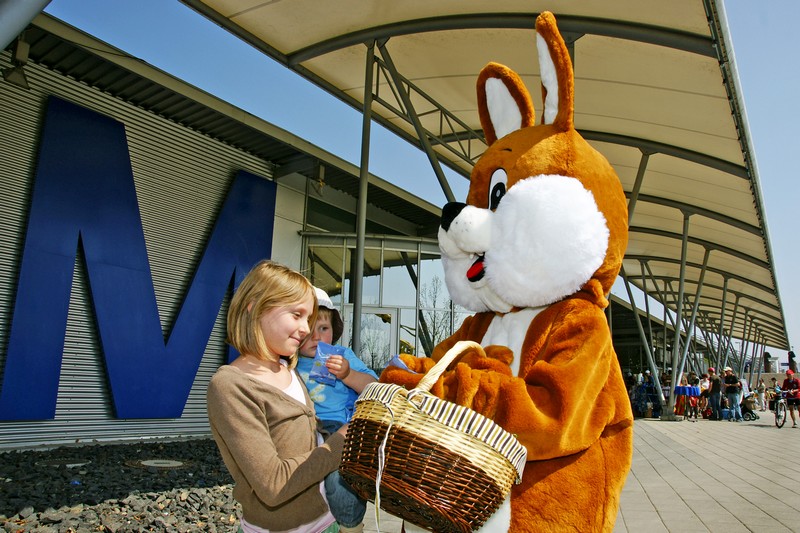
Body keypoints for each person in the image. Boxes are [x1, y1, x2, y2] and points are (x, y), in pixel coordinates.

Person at [207, 260, 346, 533]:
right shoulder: (230, 386)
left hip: (328, 521)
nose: (306, 328)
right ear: (255, 306)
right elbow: (274, 484)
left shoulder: (289, 368)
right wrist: (341, 442)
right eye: (297, 315)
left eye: (308, 318)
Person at [297, 287, 378, 532]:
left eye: (324, 329)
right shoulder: (289, 362)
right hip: (304, 428)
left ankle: (350, 526)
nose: (317, 338)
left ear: (334, 331)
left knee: (339, 480)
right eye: (308, 331)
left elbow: (373, 387)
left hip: (338, 428)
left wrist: (347, 374)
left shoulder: (343, 355)